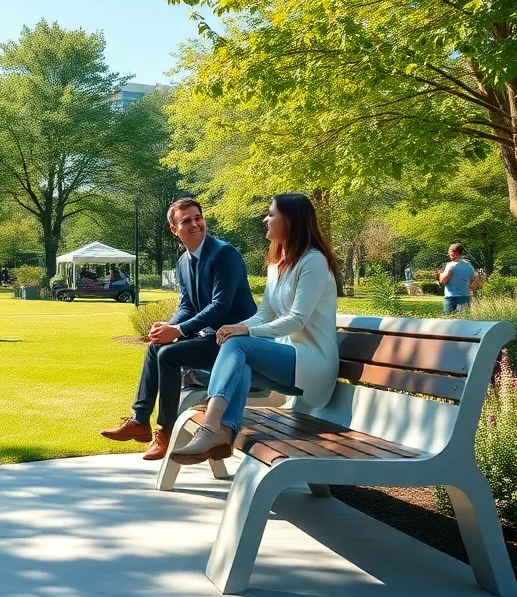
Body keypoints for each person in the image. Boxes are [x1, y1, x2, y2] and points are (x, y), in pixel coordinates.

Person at [170, 193, 341, 464]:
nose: (266, 219)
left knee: (238, 345)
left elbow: (297, 320)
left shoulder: (313, 262)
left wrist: (245, 332)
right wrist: (236, 326)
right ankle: (225, 430)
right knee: (237, 353)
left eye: (272, 214)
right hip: (286, 361)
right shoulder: (277, 263)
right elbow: (265, 314)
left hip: (313, 364)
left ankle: (210, 428)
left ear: (290, 221)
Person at [99, 198, 256, 460]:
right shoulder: (183, 261)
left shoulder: (224, 254)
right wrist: (169, 326)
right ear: (174, 230)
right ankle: (140, 420)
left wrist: (180, 331)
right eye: (186, 221)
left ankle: (166, 431)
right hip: (213, 339)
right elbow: (187, 305)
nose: (195, 224)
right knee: (156, 347)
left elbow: (220, 305)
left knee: (169, 355)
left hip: (237, 343)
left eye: (198, 218)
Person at [438, 243, 477, 315]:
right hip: (465, 297)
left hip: (450, 298)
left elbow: (442, 281)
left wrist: (447, 274)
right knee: (464, 319)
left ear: (453, 252)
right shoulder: (469, 266)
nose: (449, 256)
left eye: (449, 253)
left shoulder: (449, 265)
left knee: (448, 318)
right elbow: (473, 279)